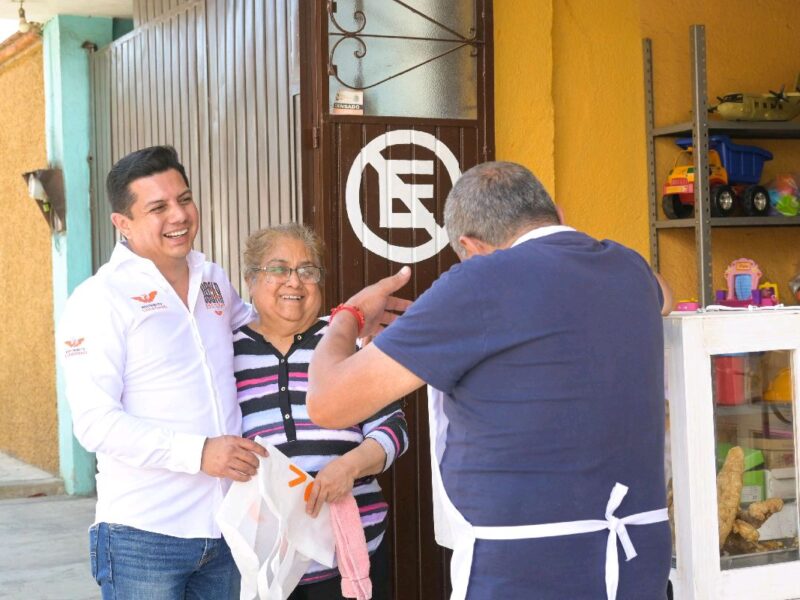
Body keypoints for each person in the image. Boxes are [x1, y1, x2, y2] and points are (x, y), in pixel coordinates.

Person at [307, 162, 673, 599]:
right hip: (639, 566)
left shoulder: (480, 281)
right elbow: (666, 298)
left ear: (470, 246)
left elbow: (328, 404)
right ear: (555, 211)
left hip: (526, 572)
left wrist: (347, 317)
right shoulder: (629, 267)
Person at [57, 146, 267, 600]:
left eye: (184, 199)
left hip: (226, 527)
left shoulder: (211, 276)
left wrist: (341, 323)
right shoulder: (99, 299)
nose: (180, 215)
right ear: (123, 224)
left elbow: (261, 333)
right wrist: (198, 453)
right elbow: (95, 423)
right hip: (144, 536)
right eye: (158, 207)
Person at [234, 223, 408, 600]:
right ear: (250, 278)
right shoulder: (226, 351)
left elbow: (394, 429)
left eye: (307, 271)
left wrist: (350, 466)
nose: (294, 282)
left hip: (355, 551)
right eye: (278, 269)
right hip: (270, 562)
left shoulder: (344, 339)